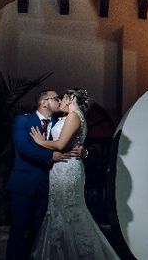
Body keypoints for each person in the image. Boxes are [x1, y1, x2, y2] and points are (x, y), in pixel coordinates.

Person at [28, 89, 120, 260]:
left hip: (67, 169)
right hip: (62, 168)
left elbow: (62, 144)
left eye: (63, 98)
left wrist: (41, 142)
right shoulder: (71, 117)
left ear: (71, 99)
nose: (60, 101)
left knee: (69, 212)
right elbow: (74, 142)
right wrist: (83, 151)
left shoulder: (73, 116)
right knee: (59, 212)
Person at [5, 90, 83, 260]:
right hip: (23, 184)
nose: (59, 100)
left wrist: (83, 152)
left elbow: (69, 144)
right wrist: (50, 156)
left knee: (39, 232)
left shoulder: (59, 123)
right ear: (44, 103)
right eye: (56, 98)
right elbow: (24, 147)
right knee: (19, 228)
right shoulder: (23, 120)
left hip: (48, 186)